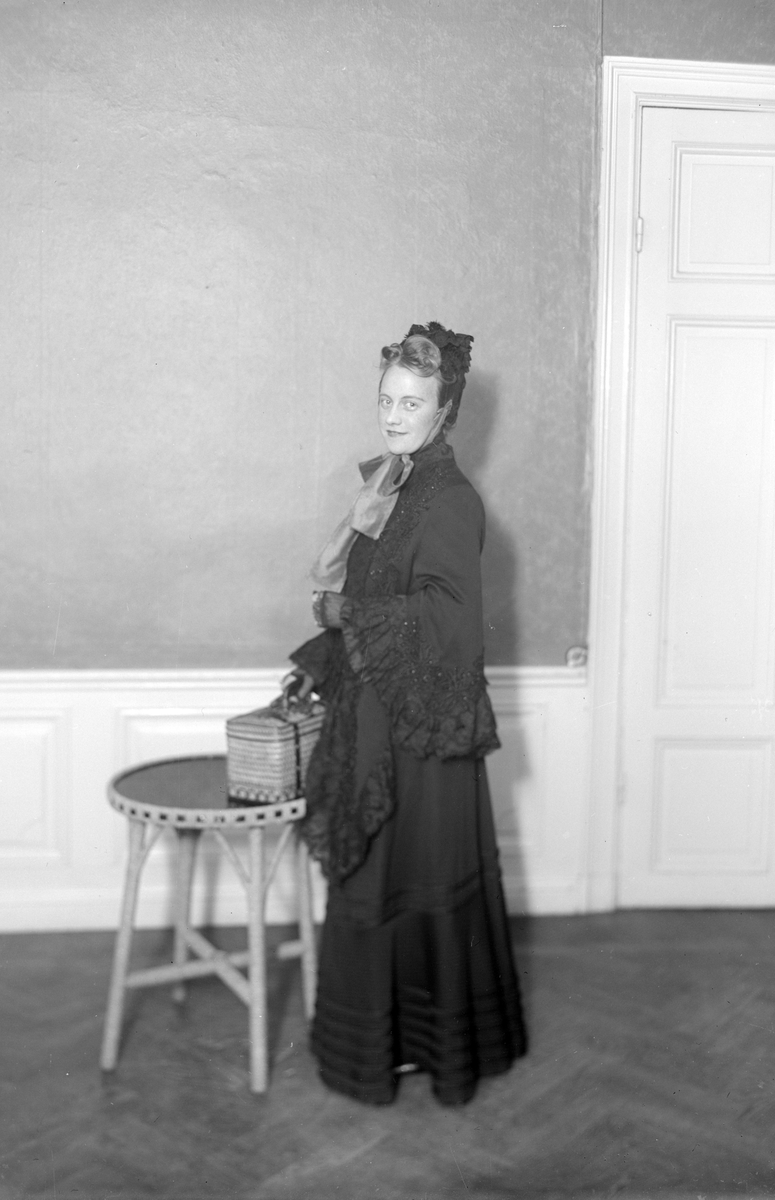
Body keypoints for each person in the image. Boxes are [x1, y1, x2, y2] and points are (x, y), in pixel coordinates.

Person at [283, 321, 526, 1106]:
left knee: (410, 878)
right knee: (375, 879)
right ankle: (381, 1050)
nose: (393, 415)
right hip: (377, 710)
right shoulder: (393, 484)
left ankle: (424, 1050)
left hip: (419, 729)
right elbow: (374, 589)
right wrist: (331, 641)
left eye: (411, 403)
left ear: (444, 409)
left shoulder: (450, 499)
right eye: (386, 399)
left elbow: (451, 621)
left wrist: (343, 613)